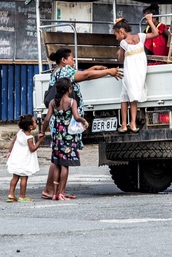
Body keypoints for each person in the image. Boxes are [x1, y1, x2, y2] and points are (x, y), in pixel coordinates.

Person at [40, 47, 122, 200]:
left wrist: (94, 68)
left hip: (59, 125)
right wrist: (108, 72)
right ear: (64, 60)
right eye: (71, 58)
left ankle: (53, 190)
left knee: (57, 157)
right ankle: (52, 190)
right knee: (62, 160)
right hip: (65, 125)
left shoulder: (59, 71)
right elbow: (86, 75)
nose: (73, 61)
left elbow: (84, 74)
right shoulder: (64, 71)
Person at [40, 77, 88, 201]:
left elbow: (46, 119)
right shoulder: (72, 102)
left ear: (57, 89)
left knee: (56, 163)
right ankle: (61, 193)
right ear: (69, 89)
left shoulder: (52, 102)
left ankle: (55, 194)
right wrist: (84, 121)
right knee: (65, 165)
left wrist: (42, 132)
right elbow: (77, 117)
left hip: (57, 135)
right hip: (68, 136)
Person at [113, 14, 159, 133]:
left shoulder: (123, 43)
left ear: (121, 31)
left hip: (129, 72)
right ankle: (133, 124)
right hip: (140, 72)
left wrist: (119, 52)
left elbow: (121, 60)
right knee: (134, 98)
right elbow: (156, 33)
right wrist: (149, 21)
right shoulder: (140, 36)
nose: (116, 37)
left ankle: (124, 124)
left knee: (124, 97)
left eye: (116, 34)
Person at [6, 114, 44, 202]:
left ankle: (11, 194)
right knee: (24, 178)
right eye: (34, 122)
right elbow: (32, 149)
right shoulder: (29, 137)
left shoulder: (19, 133)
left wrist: (9, 152)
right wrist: (39, 142)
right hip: (24, 160)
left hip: (16, 158)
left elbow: (13, 142)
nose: (36, 124)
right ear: (30, 127)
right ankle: (22, 196)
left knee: (15, 177)